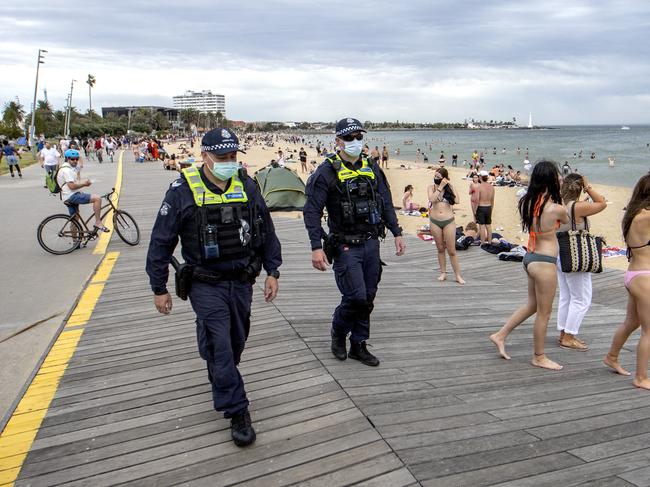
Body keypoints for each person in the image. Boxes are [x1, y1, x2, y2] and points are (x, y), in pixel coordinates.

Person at [146, 127, 282, 446]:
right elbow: (160, 242)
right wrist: (159, 287)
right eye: (222, 157)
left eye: (233, 156)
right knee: (221, 347)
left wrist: (273, 270)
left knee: (234, 343)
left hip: (242, 280)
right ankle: (237, 410)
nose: (229, 162)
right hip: (205, 284)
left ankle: (217, 363)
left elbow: (266, 229)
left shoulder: (247, 185)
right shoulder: (181, 191)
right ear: (204, 156)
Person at [303, 118, 405, 367]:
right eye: (349, 138)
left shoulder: (372, 167)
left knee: (368, 296)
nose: (355, 142)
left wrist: (397, 231)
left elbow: (386, 201)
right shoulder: (326, 172)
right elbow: (312, 211)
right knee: (356, 296)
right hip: (346, 245)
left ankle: (359, 344)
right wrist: (316, 246)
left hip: (371, 243)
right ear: (337, 141)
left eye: (359, 137)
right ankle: (338, 333)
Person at [490, 160, 569, 370]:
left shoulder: (526, 201)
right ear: (551, 179)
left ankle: (500, 335)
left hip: (530, 257)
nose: (560, 178)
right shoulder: (555, 208)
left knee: (533, 305)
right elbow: (568, 221)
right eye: (557, 175)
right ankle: (539, 356)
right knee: (544, 312)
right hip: (544, 262)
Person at [604, 173, 650, 389]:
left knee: (632, 322)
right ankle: (641, 377)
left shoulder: (634, 214)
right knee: (649, 331)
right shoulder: (646, 216)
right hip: (644, 277)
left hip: (634, 275)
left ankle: (612, 356)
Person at [556, 175, 607, 350]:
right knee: (582, 298)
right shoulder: (578, 207)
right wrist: (589, 186)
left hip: (560, 253)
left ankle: (563, 332)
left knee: (566, 296)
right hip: (576, 254)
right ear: (579, 188)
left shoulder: (561, 205)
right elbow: (601, 203)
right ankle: (569, 336)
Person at [427, 167, 464, 284]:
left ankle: (457, 275)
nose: (435, 178)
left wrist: (449, 185)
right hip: (435, 221)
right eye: (435, 176)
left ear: (444, 178)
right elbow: (432, 199)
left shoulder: (450, 188)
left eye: (438, 177)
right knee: (440, 248)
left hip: (448, 221)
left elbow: (457, 200)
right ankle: (443, 272)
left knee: (451, 250)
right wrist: (440, 187)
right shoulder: (431, 188)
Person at [57, 149, 109, 232]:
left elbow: (71, 184)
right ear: (67, 158)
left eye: (76, 159)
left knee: (75, 220)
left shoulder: (65, 167)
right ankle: (98, 222)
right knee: (97, 198)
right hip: (71, 196)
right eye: (72, 159)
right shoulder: (67, 170)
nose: (75, 161)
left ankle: (75, 243)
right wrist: (84, 184)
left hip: (66, 196)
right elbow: (72, 186)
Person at [476, 170, 495, 244]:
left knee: (482, 226)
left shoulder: (479, 187)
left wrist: (475, 210)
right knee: (489, 225)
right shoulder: (491, 187)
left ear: (480, 177)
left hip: (481, 207)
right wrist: (491, 209)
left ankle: (483, 243)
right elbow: (492, 200)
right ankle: (489, 242)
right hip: (489, 207)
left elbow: (477, 200)